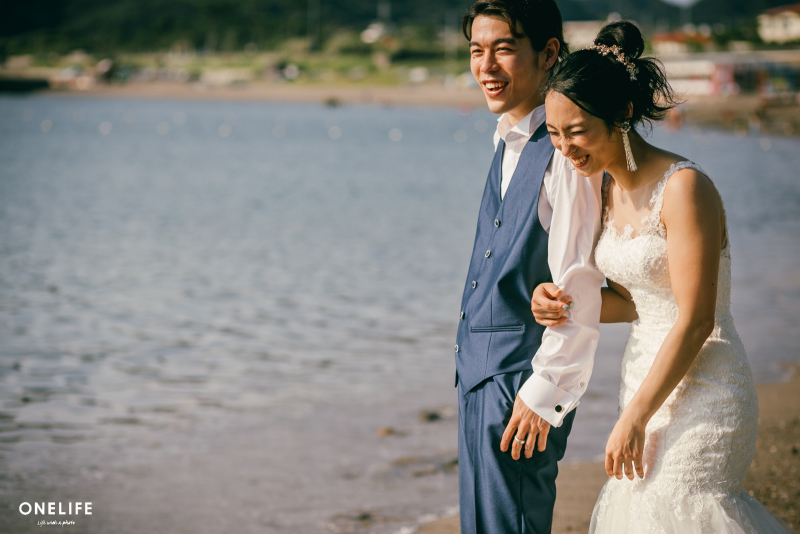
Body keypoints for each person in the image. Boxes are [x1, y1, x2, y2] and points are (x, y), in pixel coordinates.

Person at [530, 20, 796, 533]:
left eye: (578, 131)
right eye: (555, 133)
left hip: (707, 387)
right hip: (643, 379)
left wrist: (634, 417)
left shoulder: (685, 188)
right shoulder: (604, 191)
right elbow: (632, 302)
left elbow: (696, 320)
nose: (565, 147)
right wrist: (559, 301)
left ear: (623, 112)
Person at [454, 1, 605, 532]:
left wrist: (545, 395)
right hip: (478, 376)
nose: (486, 66)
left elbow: (578, 283)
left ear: (548, 54)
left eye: (503, 49)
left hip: (522, 387)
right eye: (476, 50)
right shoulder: (507, 141)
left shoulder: (566, 153)